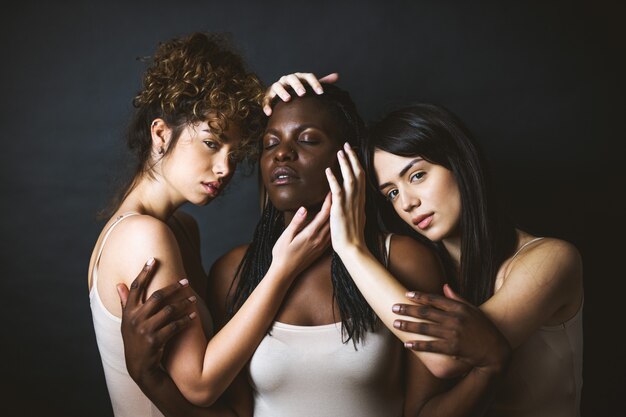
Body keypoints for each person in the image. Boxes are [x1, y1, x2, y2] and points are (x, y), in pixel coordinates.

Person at [88, 33, 333, 417]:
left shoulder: (181, 228)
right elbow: (200, 384)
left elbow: (222, 367)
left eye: (234, 152)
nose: (225, 168)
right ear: (160, 134)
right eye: (211, 143)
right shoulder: (141, 237)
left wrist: (281, 108)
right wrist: (282, 269)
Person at [324, 102, 583, 416]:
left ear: (459, 162)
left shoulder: (550, 260)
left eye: (417, 175)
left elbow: (449, 358)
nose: (407, 202)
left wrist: (350, 248)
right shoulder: (425, 275)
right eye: (391, 192)